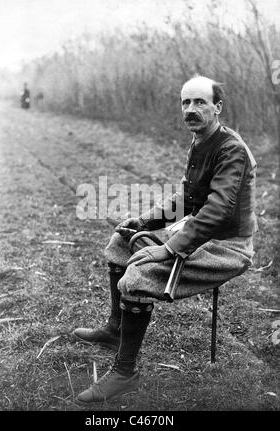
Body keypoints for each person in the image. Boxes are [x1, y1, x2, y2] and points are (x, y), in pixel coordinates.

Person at [74, 75, 258, 403]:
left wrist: (167, 249)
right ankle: (117, 330)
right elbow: (188, 199)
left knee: (139, 275)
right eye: (185, 102)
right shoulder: (200, 142)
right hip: (201, 236)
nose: (191, 109)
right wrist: (144, 221)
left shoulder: (233, 151)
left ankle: (125, 373)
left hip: (227, 246)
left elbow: (217, 210)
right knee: (120, 242)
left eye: (200, 102)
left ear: (217, 107)